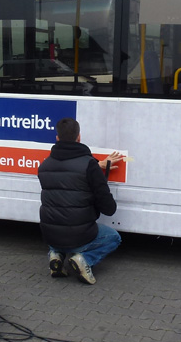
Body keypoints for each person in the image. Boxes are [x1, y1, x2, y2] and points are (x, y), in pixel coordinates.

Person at [37, 117, 124, 285]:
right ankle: (83, 259)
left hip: (50, 234)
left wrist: (97, 167)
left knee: (60, 227)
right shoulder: (89, 165)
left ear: (57, 138)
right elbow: (109, 209)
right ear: (79, 137)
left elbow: (68, 177)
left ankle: (56, 255)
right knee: (113, 237)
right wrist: (98, 171)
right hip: (80, 235)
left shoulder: (44, 165)